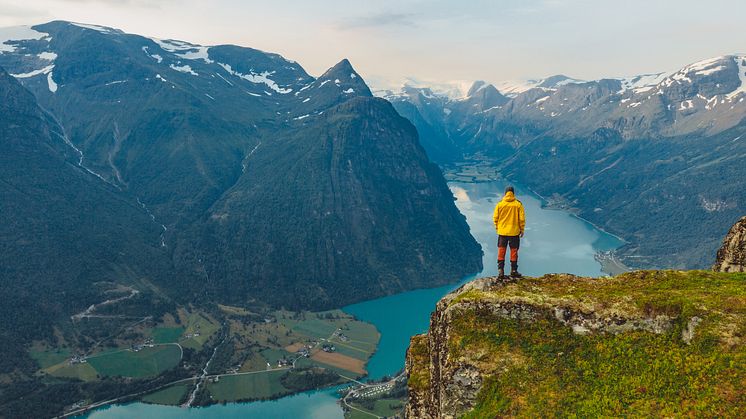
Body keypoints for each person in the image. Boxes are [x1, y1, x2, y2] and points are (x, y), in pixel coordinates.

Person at [492, 185, 526, 278]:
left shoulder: (500, 204)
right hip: (514, 232)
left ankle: (500, 271)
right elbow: (521, 219)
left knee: (501, 251)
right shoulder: (518, 204)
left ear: (505, 193)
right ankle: (514, 270)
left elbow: (495, 218)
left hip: (502, 232)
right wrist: (522, 229)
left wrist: (497, 227)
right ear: (513, 193)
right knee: (514, 251)